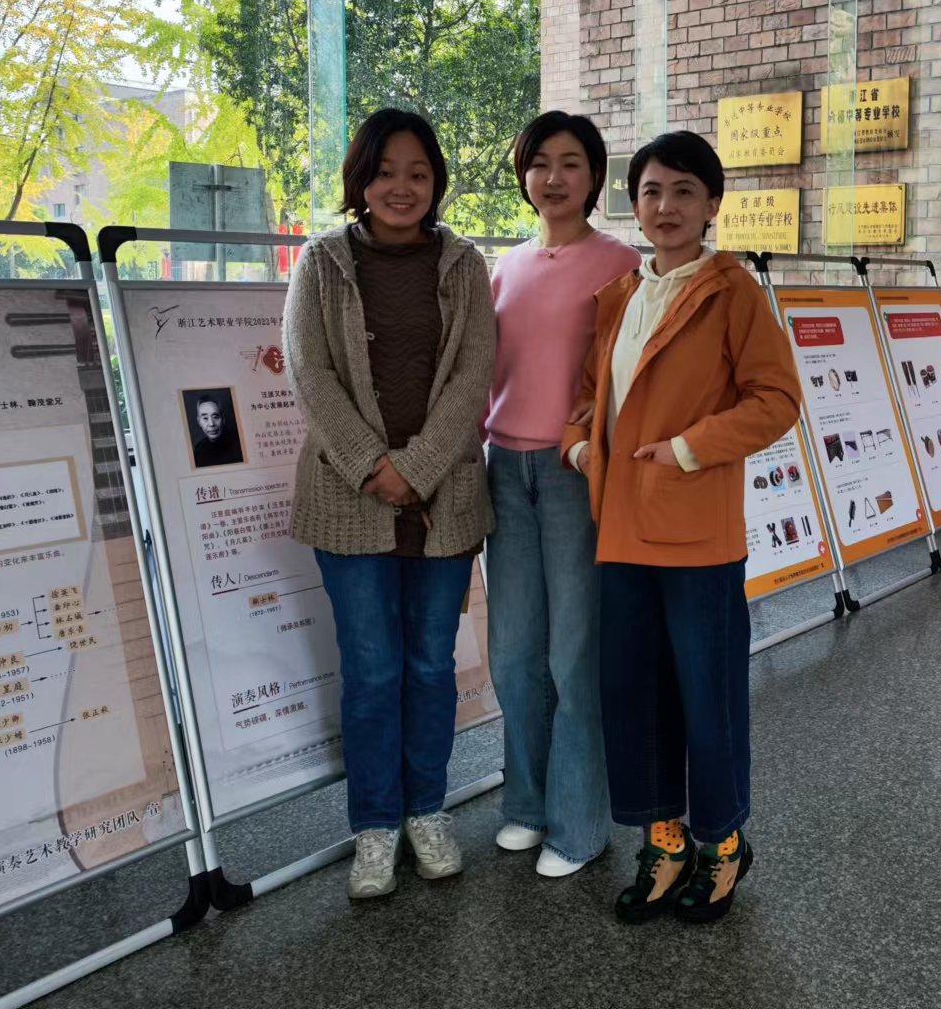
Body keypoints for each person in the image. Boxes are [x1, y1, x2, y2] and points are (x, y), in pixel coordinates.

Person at [562, 130, 801, 924]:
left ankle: (722, 843)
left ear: (712, 204)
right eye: (651, 191)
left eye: (684, 191)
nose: (665, 206)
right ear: (635, 204)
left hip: (697, 532)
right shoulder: (622, 295)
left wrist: (688, 449)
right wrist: (579, 442)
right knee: (633, 694)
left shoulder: (733, 292)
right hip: (620, 528)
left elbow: (777, 400)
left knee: (708, 696)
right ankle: (663, 841)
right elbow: (594, 393)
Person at [283, 108, 496, 900]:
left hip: (445, 499)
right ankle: (374, 827)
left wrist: (418, 468)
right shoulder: (322, 262)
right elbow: (309, 372)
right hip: (350, 498)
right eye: (384, 172)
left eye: (418, 172)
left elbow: (475, 373)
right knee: (372, 670)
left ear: (436, 181)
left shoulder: (464, 264)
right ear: (360, 179)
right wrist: (375, 467)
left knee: (431, 665)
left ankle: (426, 811)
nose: (401, 187)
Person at [484, 113, 640, 878]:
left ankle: (579, 826)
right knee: (513, 652)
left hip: (575, 471)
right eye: (539, 162)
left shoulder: (621, 264)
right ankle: (527, 804)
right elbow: (486, 373)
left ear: (594, 177)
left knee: (574, 653)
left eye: (571, 163)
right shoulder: (505, 266)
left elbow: (630, 375)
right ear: (523, 175)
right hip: (502, 469)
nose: (553, 177)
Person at [191, 394, 243, 467]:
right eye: (205, 418)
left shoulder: (238, 446)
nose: (211, 424)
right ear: (199, 422)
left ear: (223, 419)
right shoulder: (198, 450)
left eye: (215, 417)